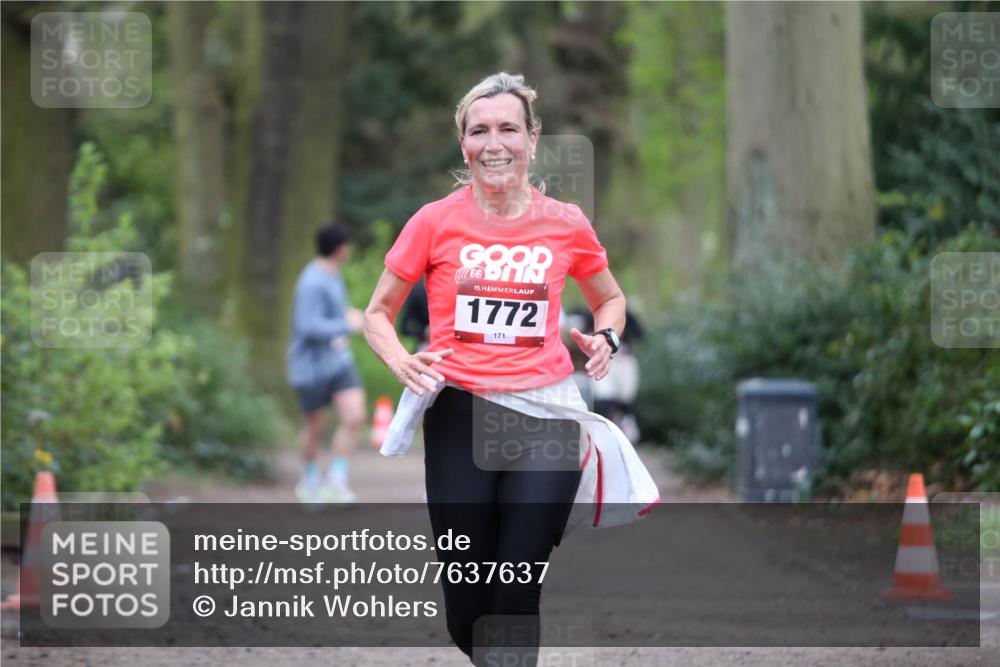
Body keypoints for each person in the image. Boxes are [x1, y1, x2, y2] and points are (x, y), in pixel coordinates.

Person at [363, 73, 655, 665]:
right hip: (459, 412)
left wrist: (606, 339)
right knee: (468, 606)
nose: (494, 143)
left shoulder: (566, 223)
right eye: (479, 131)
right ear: (463, 145)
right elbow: (377, 313)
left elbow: (611, 300)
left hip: (547, 414)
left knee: (517, 590)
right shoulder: (433, 221)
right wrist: (402, 360)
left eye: (507, 129)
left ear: (532, 139)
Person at [287, 223, 366, 504]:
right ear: (339, 249)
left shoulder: (334, 276)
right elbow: (307, 326)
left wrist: (348, 315)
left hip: (338, 362)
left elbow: (332, 314)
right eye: (346, 245)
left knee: (354, 415)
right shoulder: (312, 281)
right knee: (314, 427)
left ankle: (336, 480)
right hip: (310, 367)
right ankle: (308, 480)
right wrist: (344, 325)